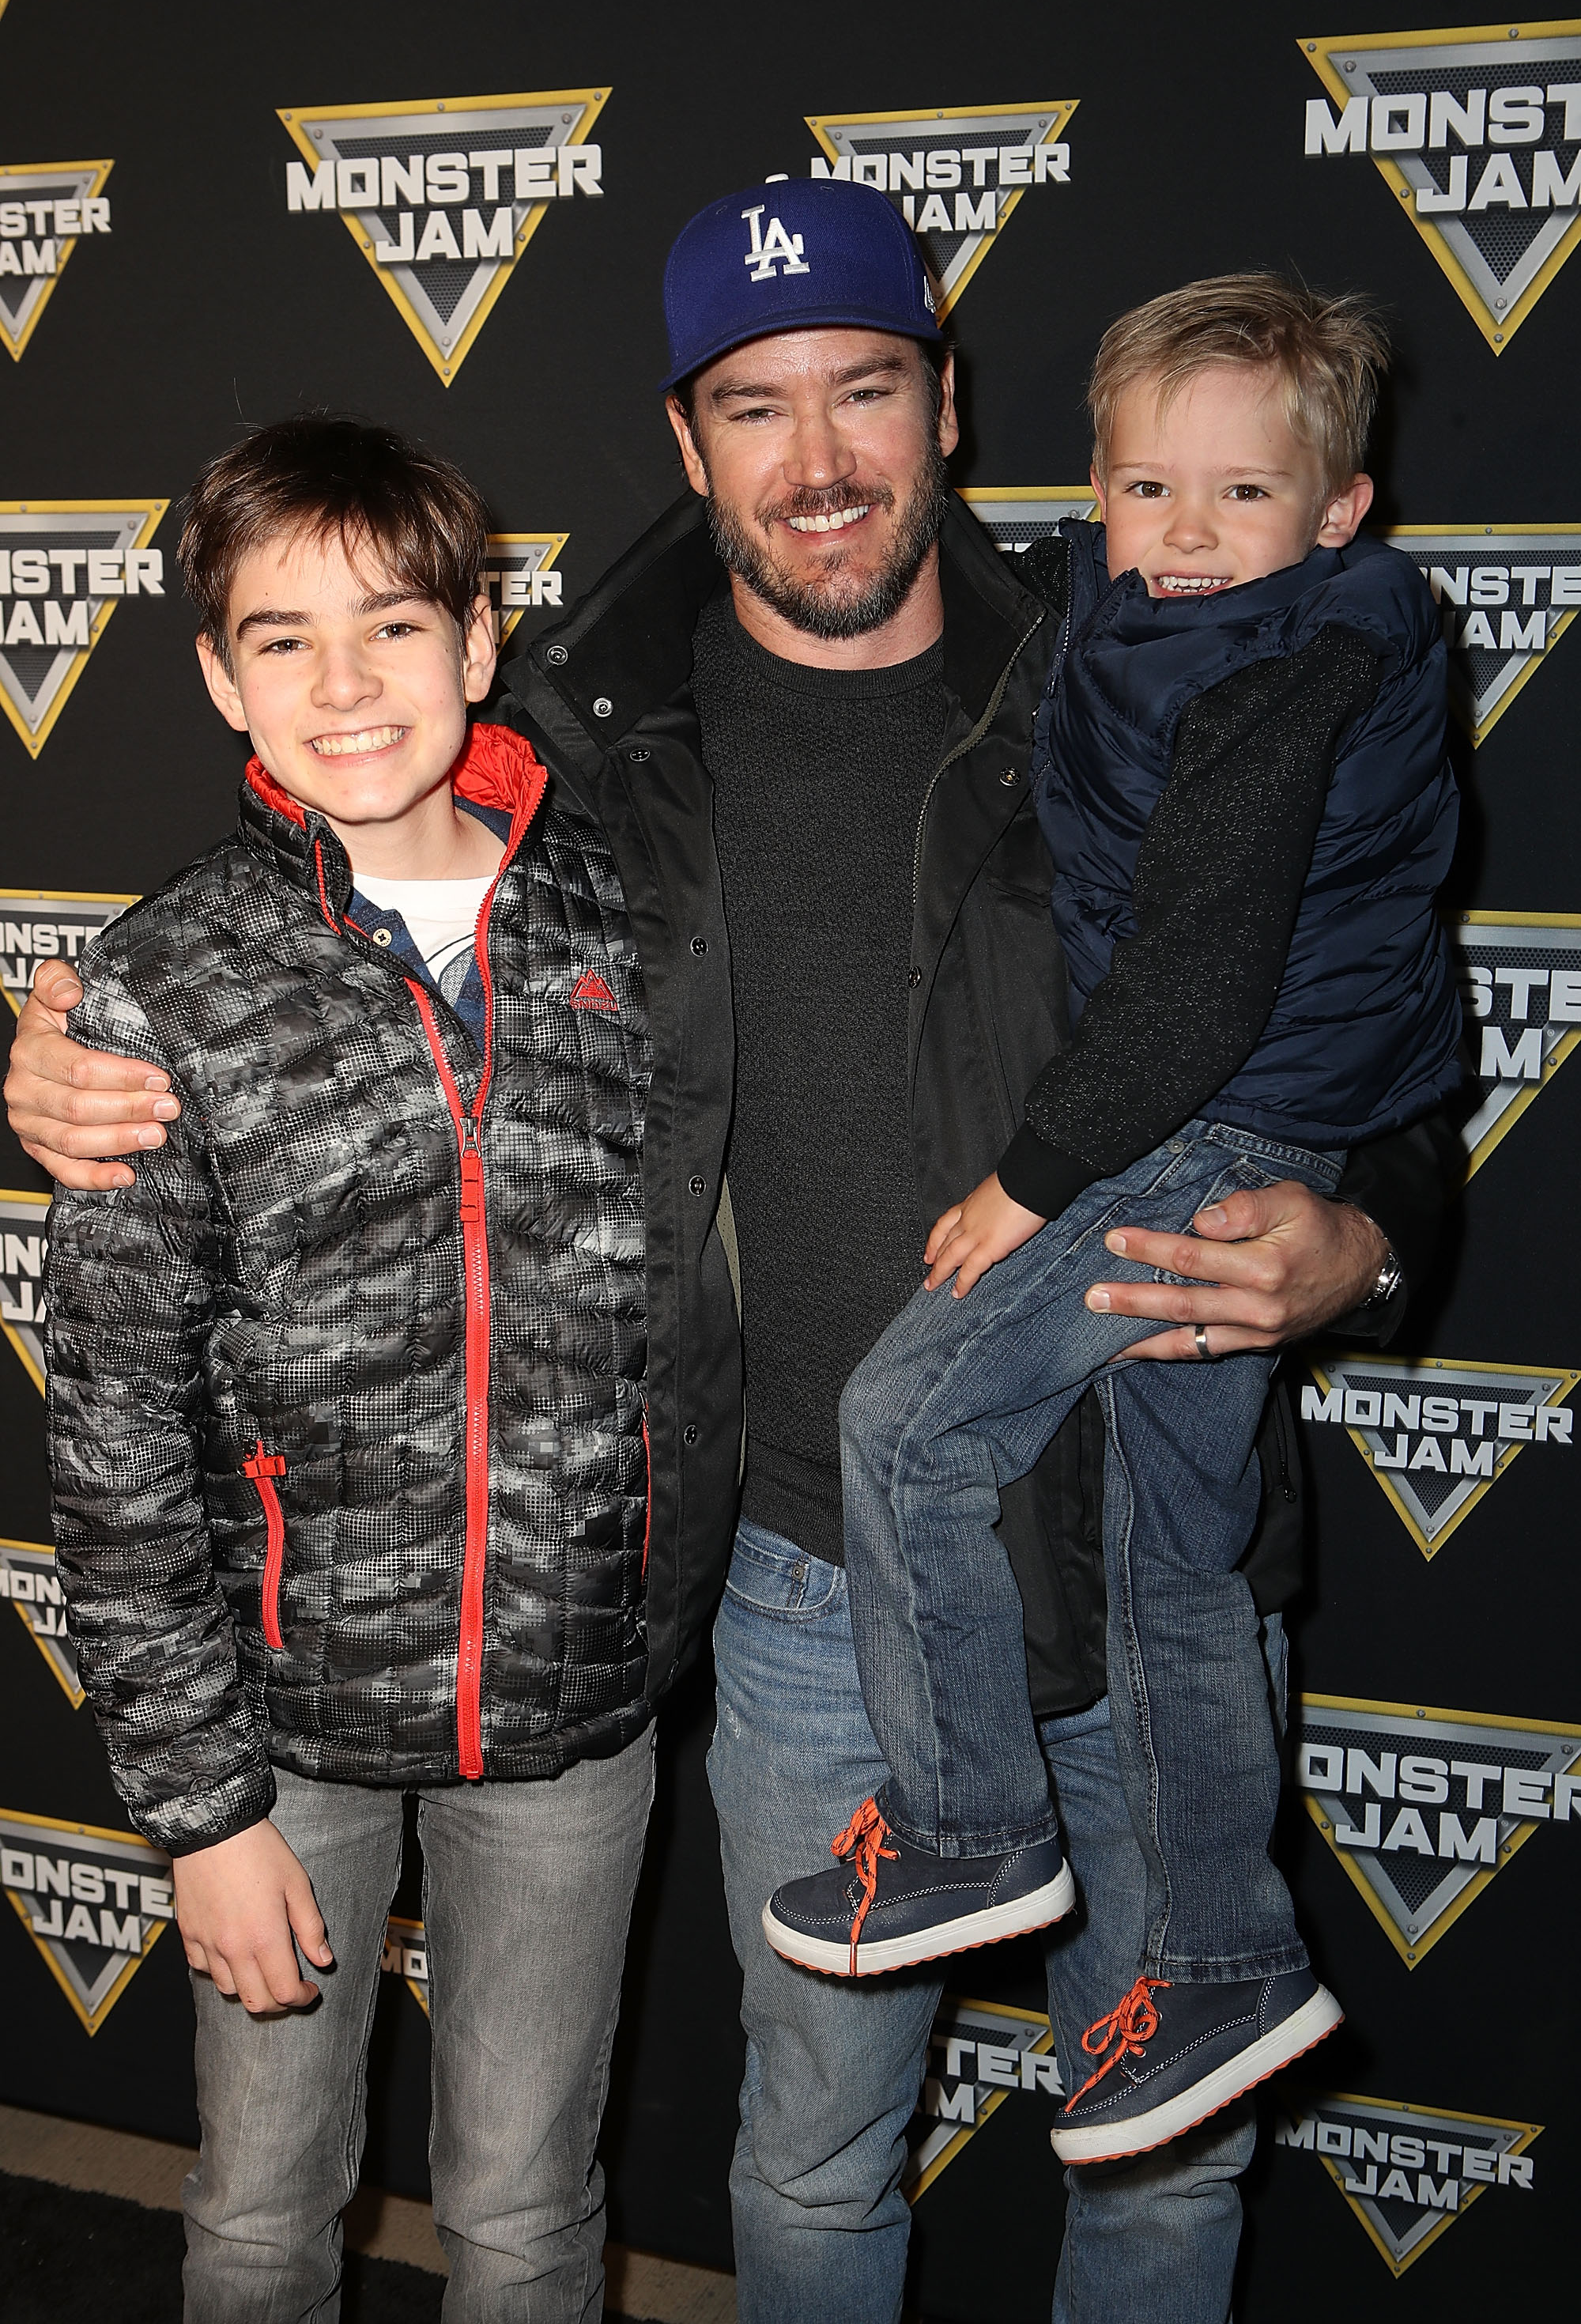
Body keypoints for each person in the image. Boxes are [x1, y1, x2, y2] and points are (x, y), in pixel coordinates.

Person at [6, 183, 1458, 2324]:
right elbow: (337, 897)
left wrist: (1375, 1241)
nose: (820, 458)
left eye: (865, 388)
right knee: (812, 2157)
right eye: (755, 409)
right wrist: (71, 1049)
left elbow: (1371, 996)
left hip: (1148, 1521)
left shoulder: (1149, 659)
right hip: (801, 1590)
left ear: (945, 404)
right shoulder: (587, 739)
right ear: (688, 448)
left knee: (1167, 2166)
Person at [37, 415, 734, 2324]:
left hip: (571, 1717)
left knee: (525, 2214)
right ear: (214, 677)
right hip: (284, 1744)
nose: (345, 688)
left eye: (394, 627)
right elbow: (110, 1442)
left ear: (482, 637)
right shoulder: (159, 987)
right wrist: (204, 1814)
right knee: (263, 2213)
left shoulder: (632, 925)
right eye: (282, 640)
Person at [764, 278, 1461, 2166]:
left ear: (1340, 512)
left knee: (908, 1421)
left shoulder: (1289, 661)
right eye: (1147, 490)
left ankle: (972, 1828)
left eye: (1240, 497)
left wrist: (1040, 1179)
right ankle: (1227, 1954)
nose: (1182, 536)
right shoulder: (1106, 618)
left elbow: (1206, 979)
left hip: (1199, 1131)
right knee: (1180, 1561)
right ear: (1091, 484)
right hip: (1194, 1132)